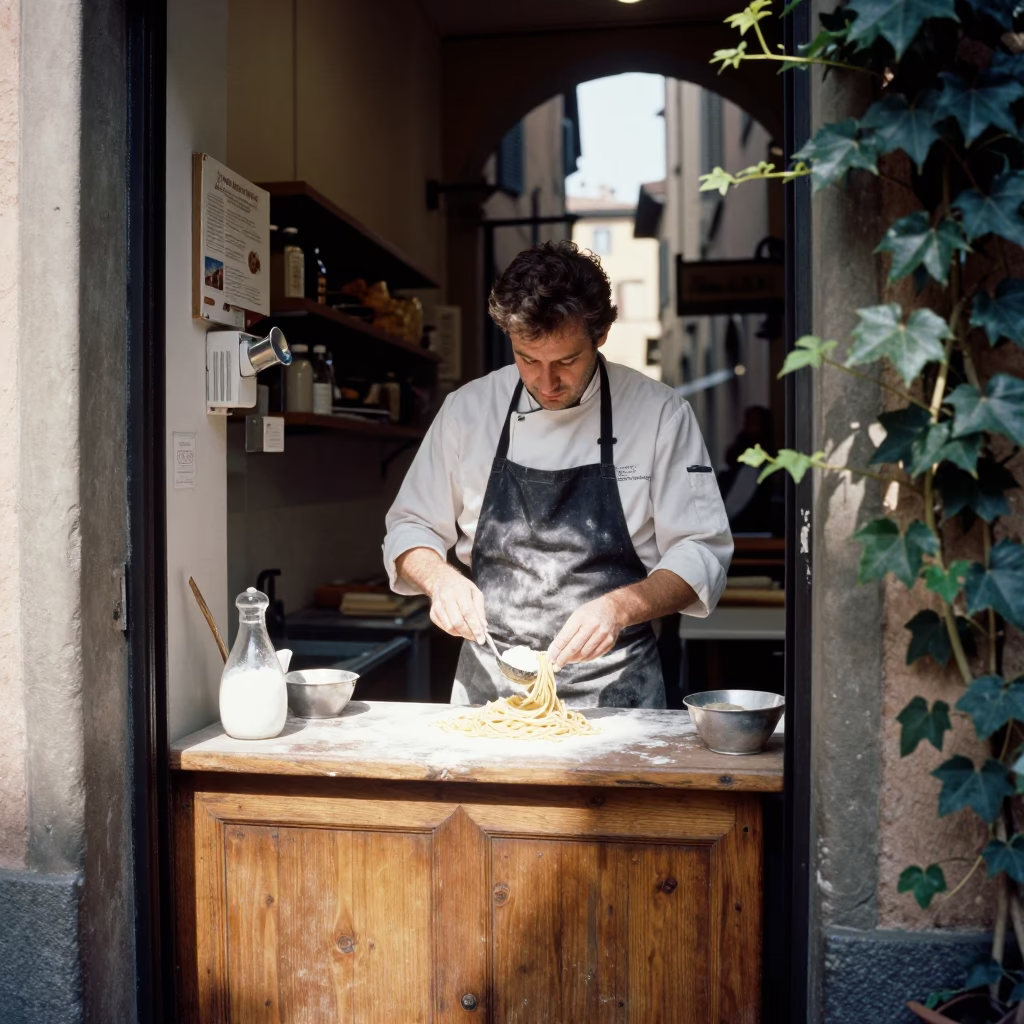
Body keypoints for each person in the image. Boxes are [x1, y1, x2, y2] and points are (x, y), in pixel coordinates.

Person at [382, 241, 732, 708]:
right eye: (528, 359)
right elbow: (409, 526)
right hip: (491, 690)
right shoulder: (468, 411)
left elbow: (701, 550)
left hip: (617, 692)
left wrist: (619, 607)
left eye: (566, 361)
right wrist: (441, 581)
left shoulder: (660, 414)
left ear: (600, 335)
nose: (547, 383)